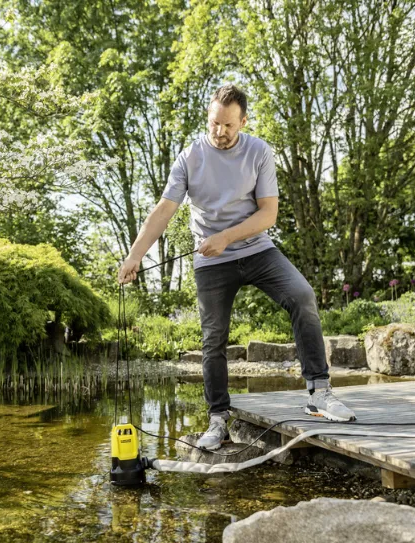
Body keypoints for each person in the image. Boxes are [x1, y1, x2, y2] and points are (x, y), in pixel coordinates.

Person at [117, 83, 355, 451]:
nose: (220, 132)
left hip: (257, 249)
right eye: (214, 123)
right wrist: (135, 256)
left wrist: (227, 236)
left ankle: (319, 393)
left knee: (302, 296)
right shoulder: (189, 158)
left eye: (228, 125)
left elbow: (268, 213)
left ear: (242, 121)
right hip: (211, 261)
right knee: (213, 338)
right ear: (208, 119)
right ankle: (217, 417)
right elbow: (163, 211)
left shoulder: (259, 152)